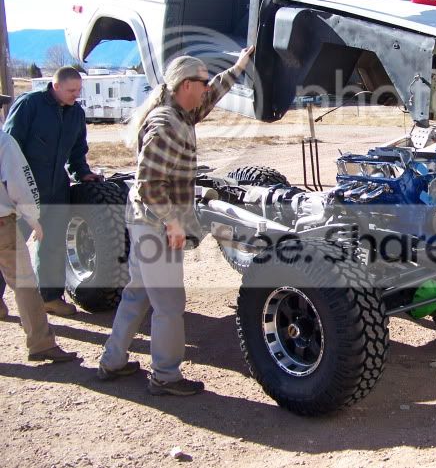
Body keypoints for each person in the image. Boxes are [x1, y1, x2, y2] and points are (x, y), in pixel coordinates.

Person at [98, 46, 255, 396]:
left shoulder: (182, 113)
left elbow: (215, 91)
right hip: (155, 224)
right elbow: (148, 184)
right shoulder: (166, 124)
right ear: (185, 85)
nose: (205, 88)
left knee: (138, 293)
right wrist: (172, 222)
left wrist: (240, 64)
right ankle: (165, 377)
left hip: (145, 222)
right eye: (200, 81)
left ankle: (112, 362)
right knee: (169, 305)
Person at [2, 67, 104, 317]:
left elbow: (78, 149)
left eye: (79, 90)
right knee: (9, 246)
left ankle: (49, 297)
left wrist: (82, 172)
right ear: (55, 86)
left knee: (53, 244)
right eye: (71, 90)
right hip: (23, 188)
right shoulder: (29, 105)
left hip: (57, 188)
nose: (75, 95)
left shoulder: (76, 113)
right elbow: (10, 145)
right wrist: (9, 186)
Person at [0, 106, 79, 362]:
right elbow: (20, 182)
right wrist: (33, 217)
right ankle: (41, 344)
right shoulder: (4, 141)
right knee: (24, 285)